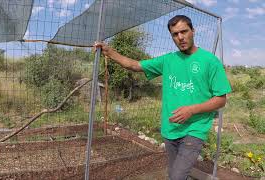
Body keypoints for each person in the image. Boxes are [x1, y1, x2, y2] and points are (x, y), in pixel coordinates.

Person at [94, 15, 232, 180]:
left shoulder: (210, 61)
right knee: (174, 173)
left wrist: (192, 110)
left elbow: (221, 99)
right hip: (170, 129)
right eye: (175, 34)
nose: (180, 37)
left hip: (195, 129)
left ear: (193, 31)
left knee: (176, 176)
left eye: (184, 31)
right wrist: (109, 51)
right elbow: (134, 65)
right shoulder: (168, 60)